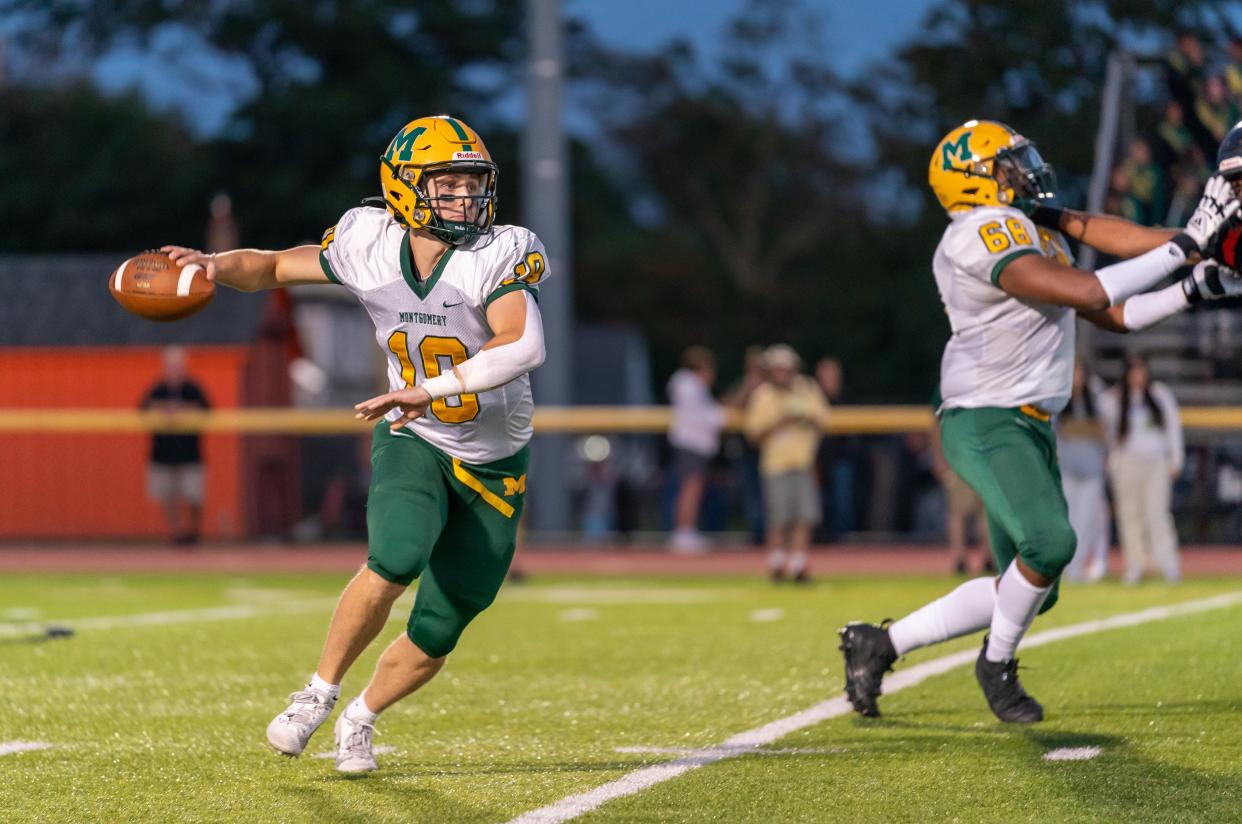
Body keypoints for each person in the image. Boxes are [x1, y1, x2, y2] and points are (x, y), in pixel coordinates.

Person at [164, 114, 548, 773]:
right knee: (395, 555)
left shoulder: (501, 250)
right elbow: (273, 267)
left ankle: (361, 716)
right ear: (404, 188)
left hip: (493, 457)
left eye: (473, 182)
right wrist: (213, 264)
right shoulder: (367, 239)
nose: (466, 196)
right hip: (416, 436)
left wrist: (430, 386)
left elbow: (525, 343)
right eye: (448, 182)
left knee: (441, 626)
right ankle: (317, 693)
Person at [838, 118, 1241, 724]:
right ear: (975, 181)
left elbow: (1118, 306)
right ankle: (995, 667)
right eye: (1007, 162)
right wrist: (1189, 245)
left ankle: (880, 646)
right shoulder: (977, 232)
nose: (1022, 169)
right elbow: (1089, 292)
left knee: (1031, 587)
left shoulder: (1029, 224)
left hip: (1027, 420)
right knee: (1051, 543)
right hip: (986, 416)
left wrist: (1196, 278)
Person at [743, 344, 831, 582]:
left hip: (803, 462)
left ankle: (798, 565)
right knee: (779, 518)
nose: (781, 373)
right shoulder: (763, 394)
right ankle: (776, 563)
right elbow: (753, 434)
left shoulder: (807, 387)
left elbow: (823, 419)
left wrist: (804, 415)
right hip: (776, 464)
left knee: (804, 517)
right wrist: (779, 421)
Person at [1100, 354, 1185, 584]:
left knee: (1157, 514)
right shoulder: (1115, 399)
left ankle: (1168, 564)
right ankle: (1135, 565)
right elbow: (1101, 418)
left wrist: (1176, 460)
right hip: (1127, 464)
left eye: (1141, 370)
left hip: (1156, 463)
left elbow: (1173, 428)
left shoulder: (1159, 394)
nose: (1138, 376)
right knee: (1130, 515)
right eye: (1133, 371)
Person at [141, 346, 211, 545]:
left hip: (190, 454)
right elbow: (143, 409)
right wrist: (164, 410)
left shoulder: (192, 389)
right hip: (163, 454)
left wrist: (182, 411)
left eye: (177, 366)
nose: (174, 370)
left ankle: (194, 532)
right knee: (168, 496)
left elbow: (207, 410)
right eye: (170, 366)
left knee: (194, 496)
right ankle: (176, 533)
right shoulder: (158, 389)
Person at [666, 345, 725, 552]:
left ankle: (686, 531)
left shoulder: (692, 385)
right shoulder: (687, 384)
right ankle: (683, 533)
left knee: (692, 489)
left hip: (694, 445)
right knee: (690, 489)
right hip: (691, 444)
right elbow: (704, 416)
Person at [1058, 361, 1110, 583]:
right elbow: (1062, 431)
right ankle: (1068, 567)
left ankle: (1080, 566)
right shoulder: (1058, 397)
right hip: (1067, 469)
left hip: (1091, 470)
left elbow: (1102, 430)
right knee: (1068, 521)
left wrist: (1078, 429)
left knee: (1087, 520)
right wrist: (1082, 429)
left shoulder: (1097, 396)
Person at [929, 411, 992, 576]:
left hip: (984, 458)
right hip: (960, 460)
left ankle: (989, 558)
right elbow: (937, 425)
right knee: (959, 512)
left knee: (986, 512)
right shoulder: (951, 388)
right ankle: (959, 559)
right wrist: (939, 459)